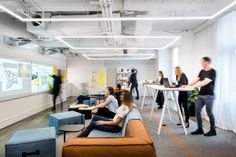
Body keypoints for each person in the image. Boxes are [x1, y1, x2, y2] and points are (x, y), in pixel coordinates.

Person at [187, 57, 216, 136]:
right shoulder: (201, 71)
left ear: (207, 62)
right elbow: (197, 79)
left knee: (209, 113)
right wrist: (187, 85)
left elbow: (205, 82)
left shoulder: (212, 71)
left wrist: (194, 86)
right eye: (201, 62)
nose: (201, 63)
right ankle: (200, 129)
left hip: (209, 95)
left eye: (203, 62)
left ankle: (213, 130)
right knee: (197, 112)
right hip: (201, 95)